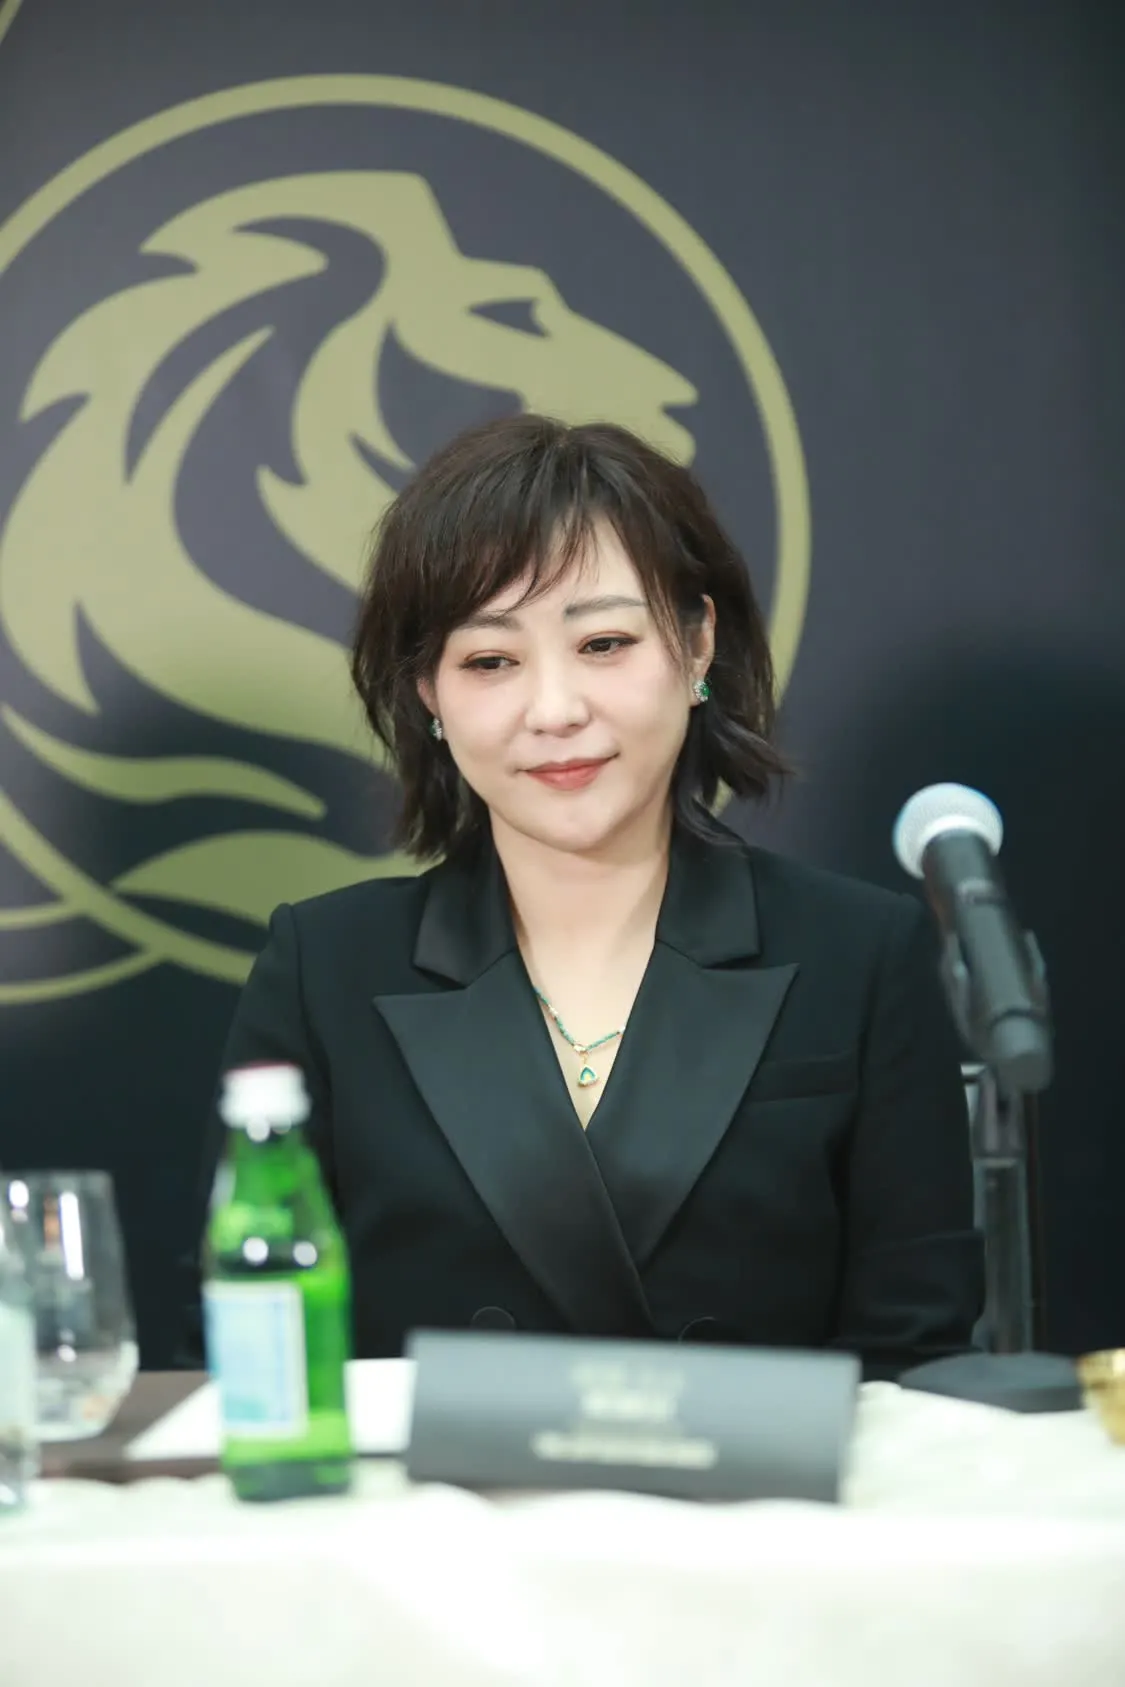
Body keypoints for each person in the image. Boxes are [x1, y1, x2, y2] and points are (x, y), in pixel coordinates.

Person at [189, 414, 982, 1380]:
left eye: (603, 643)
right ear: (429, 693)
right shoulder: (325, 969)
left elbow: (916, 1359)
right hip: (426, 1484)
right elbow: (247, 1342)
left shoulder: (858, 952)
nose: (555, 709)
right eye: (490, 660)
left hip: (765, 1483)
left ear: (696, 645)